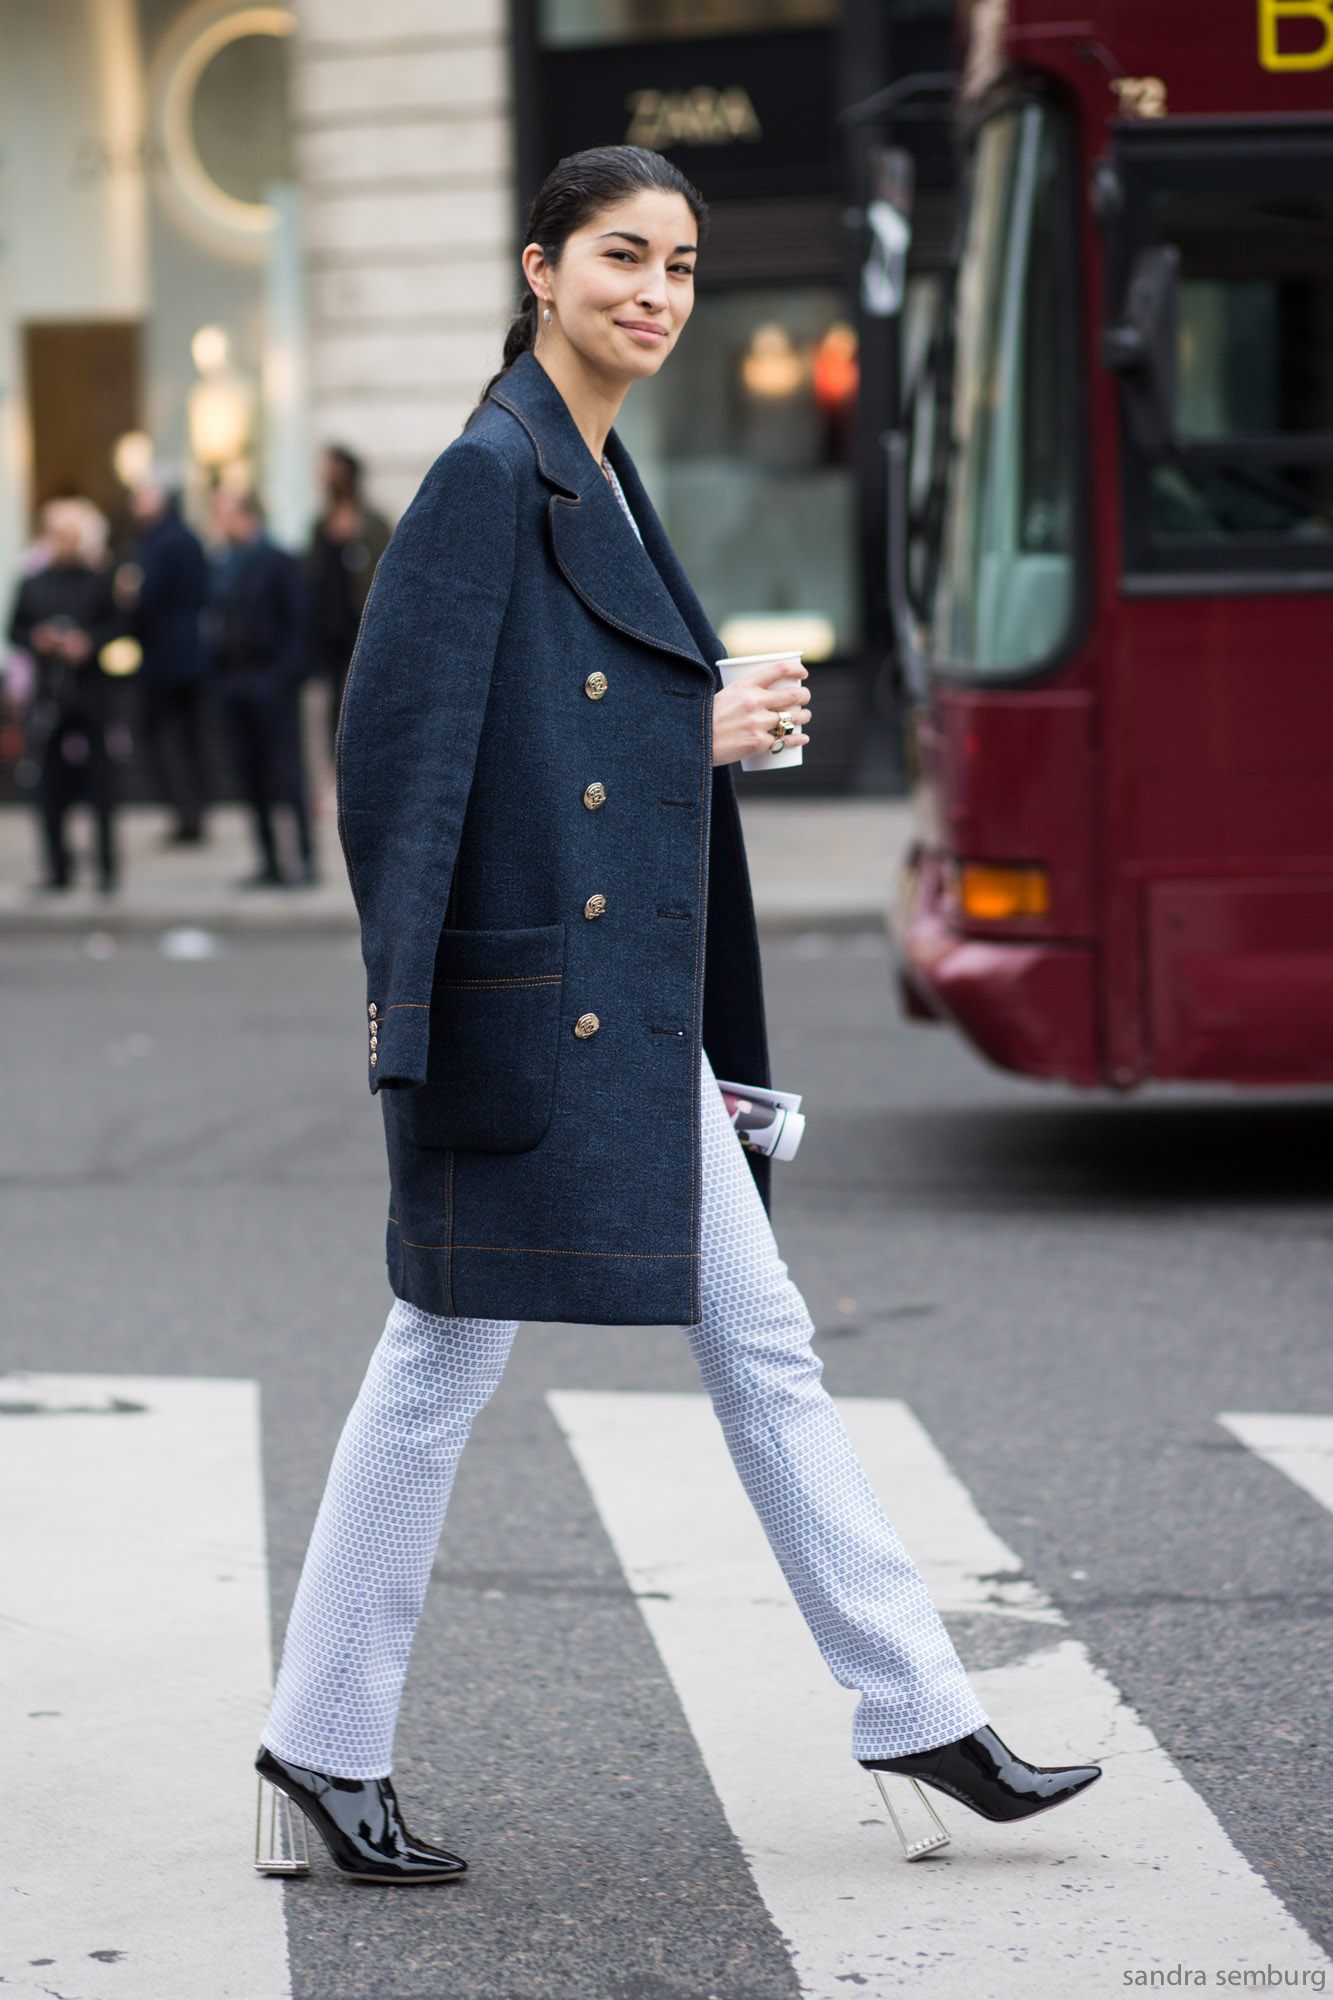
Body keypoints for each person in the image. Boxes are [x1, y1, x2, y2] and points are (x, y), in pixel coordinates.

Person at [254, 145, 1100, 1886]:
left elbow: (567, 714)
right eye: (622, 257)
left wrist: (691, 715)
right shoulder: (491, 473)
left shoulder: (592, 468)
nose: (655, 292)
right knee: (436, 1359)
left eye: (683, 266)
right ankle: (320, 1743)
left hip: (618, 1014)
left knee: (754, 1344)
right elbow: (400, 764)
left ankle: (914, 1707)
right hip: (525, 1018)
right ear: (540, 267)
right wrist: (408, 1018)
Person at [8, 499, 124, 894]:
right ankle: (57, 867)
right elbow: (16, 630)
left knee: (101, 786)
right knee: (49, 787)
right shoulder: (34, 582)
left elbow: (118, 627)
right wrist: (39, 640)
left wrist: (87, 643)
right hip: (49, 697)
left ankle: (106, 869)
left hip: (90, 693)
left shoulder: (97, 580)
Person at [206, 489, 314, 887]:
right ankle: (269, 861)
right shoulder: (223, 564)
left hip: (270, 681)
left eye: (224, 513)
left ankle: (303, 860)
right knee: (249, 776)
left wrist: (282, 677)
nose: (219, 522)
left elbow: (299, 626)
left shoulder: (278, 562)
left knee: (286, 774)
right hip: (234, 681)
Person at [117, 475, 211, 845]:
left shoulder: (160, 543)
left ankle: (185, 811)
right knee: (188, 737)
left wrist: (129, 596)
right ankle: (192, 810)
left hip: (164, 657)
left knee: (162, 736)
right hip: (189, 653)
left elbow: (147, 598)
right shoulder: (187, 538)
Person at [305, 446, 390, 751]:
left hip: (362, 627)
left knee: (363, 700)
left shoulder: (373, 524)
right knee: (330, 705)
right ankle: (334, 773)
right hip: (328, 629)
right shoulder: (320, 525)